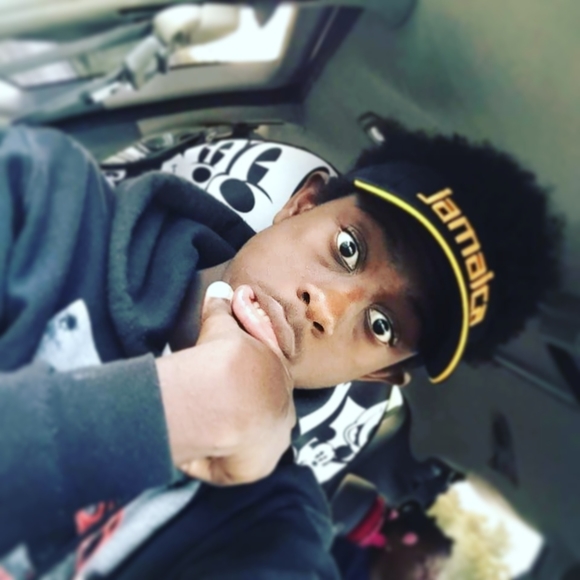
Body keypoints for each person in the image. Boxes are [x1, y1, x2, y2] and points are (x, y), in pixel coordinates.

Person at [0, 118, 562, 574]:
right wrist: (169, 412)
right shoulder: (43, 195)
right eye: (348, 248)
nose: (328, 307)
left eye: (382, 325)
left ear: (377, 376)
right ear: (301, 204)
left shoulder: (273, 523)